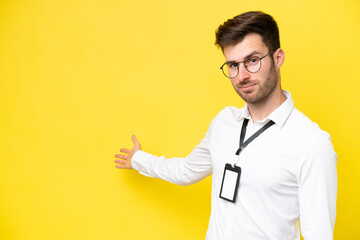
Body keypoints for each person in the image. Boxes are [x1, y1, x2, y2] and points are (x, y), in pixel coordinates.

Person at [114, 11, 337, 240]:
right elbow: (186, 171)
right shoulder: (224, 122)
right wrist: (139, 159)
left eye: (252, 60)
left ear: (278, 58)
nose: (242, 76)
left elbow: (318, 235)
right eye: (232, 65)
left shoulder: (312, 144)